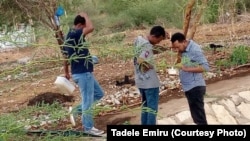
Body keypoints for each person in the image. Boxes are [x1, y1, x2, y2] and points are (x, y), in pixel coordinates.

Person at [62, 12, 104, 135]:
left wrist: (66, 72)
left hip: (81, 72)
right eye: (83, 27)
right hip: (83, 73)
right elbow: (91, 28)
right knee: (87, 101)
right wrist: (86, 14)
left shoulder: (69, 37)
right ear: (80, 25)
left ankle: (75, 111)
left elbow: (65, 56)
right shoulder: (75, 34)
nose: (85, 30)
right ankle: (88, 128)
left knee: (99, 94)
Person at [170, 32, 210, 125]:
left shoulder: (195, 50)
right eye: (175, 48)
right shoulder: (184, 49)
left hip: (195, 87)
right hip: (189, 87)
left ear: (184, 42)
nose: (177, 50)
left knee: (199, 118)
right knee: (196, 117)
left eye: (178, 47)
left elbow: (205, 67)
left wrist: (186, 69)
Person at [133, 25, 168, 125]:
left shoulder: (138, 40)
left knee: (145, 107)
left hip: (140, 81)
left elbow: (138, 57)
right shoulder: (147, 46)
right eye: (159, 40)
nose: (159, 42)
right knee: (152, 110)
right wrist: (150, 66)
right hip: (150, 83)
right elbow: (141, 61)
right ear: (155, 36)